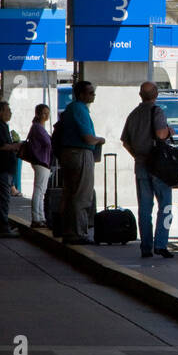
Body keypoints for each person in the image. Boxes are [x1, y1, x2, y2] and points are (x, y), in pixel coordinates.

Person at [120, 81, 173, 259]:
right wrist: (169, 131)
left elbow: (125, 142)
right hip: (158, 166)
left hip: (141, 164)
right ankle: (161, 244)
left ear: (140, 95)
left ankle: (146, 246)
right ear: (156, 94)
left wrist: (137, 155)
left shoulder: (133, 114)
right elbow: (160, 134)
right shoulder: (156, 111)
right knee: (165, 205)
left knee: (144, 208)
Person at [58, 80, 106, 245]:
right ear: (81, 94)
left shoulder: (70, 109)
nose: (93, 95)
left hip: (67, 154)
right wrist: (100, 139)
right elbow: (88, 137)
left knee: (70, 193)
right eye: (91, 92)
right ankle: (78, 233)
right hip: (79, 154)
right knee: (82, 195)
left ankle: (67, 230)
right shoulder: (80, 109)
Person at [0, 101, 22, 238]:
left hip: (0, 169)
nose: (10, 113)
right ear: (0, 112)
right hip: (1, 169)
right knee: (2, 199)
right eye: (8, 110)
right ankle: (2, 227)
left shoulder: (1, 126)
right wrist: (16, 146)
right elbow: (1, 146)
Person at [24, 104, 54, 228]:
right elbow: (48, 143)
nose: (46, 116)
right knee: (39, 191)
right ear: (38, 114)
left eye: (48, 113)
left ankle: (41, 217)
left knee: (41, 191)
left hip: (42, 162)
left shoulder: (38, 127)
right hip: (41, 161)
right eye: (44, 113)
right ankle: (36, 218)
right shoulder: (38, 127)